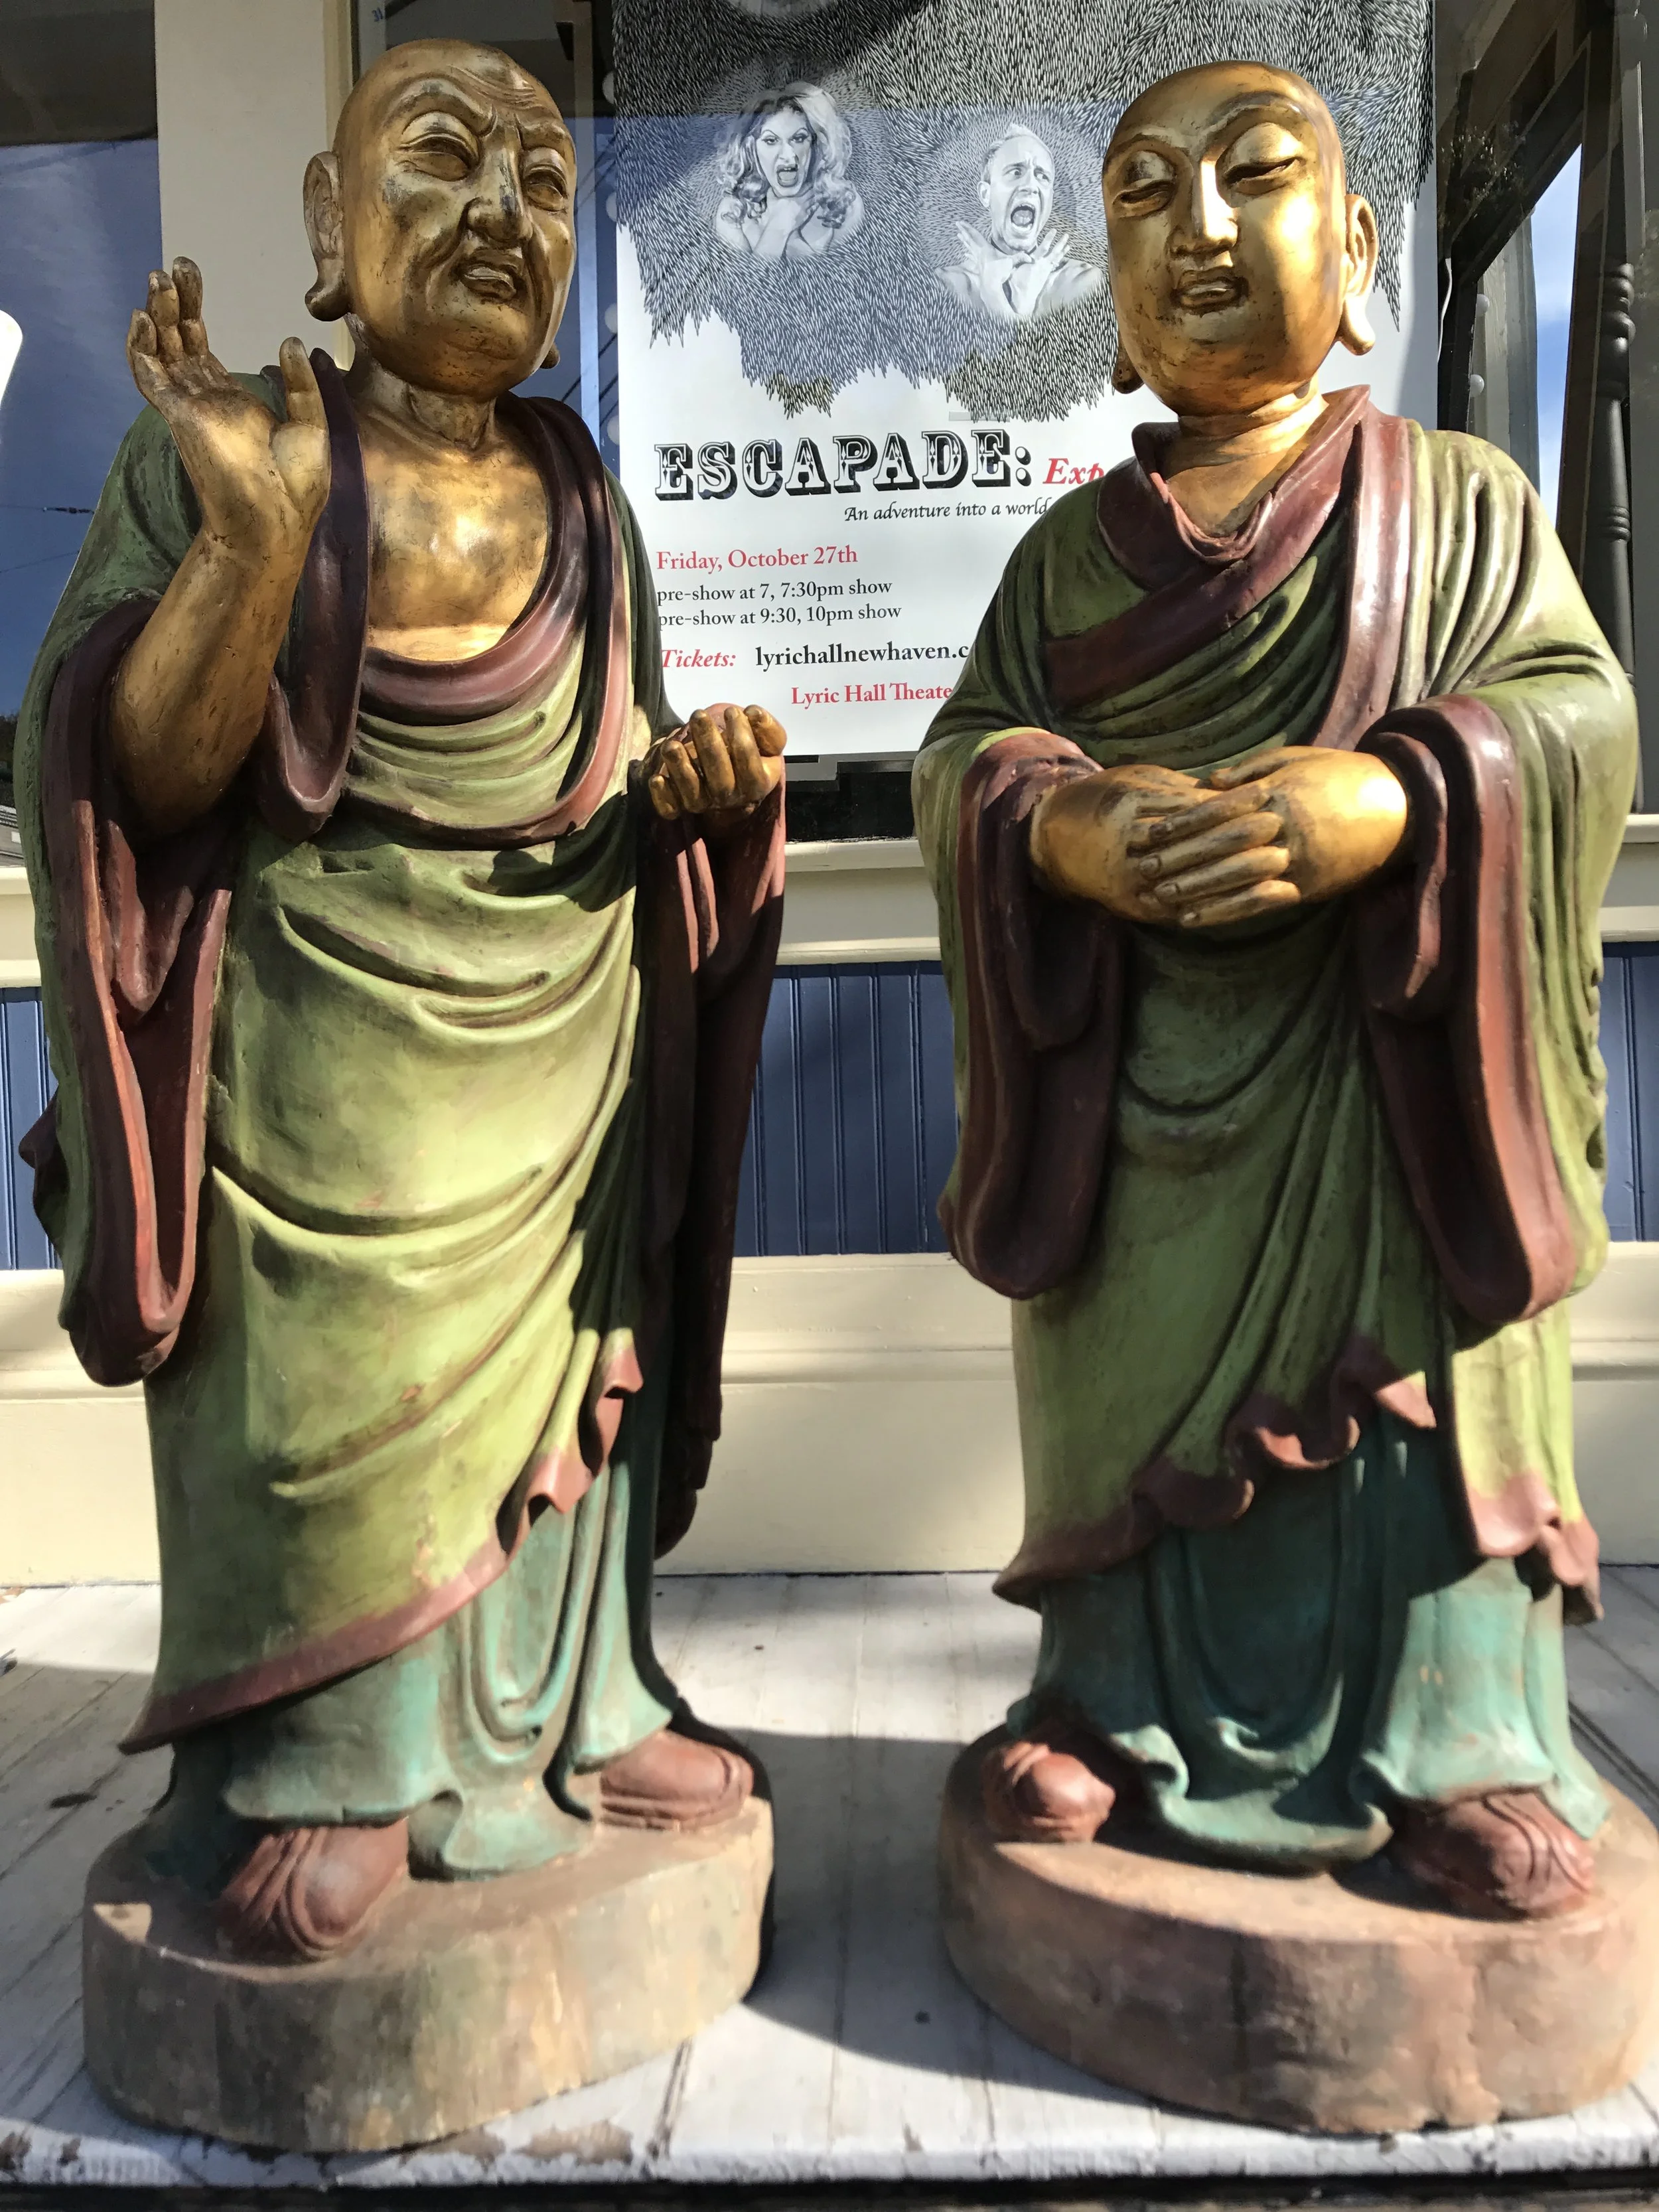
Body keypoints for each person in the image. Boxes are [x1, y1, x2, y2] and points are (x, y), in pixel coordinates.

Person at [16, 38, 788, 1963]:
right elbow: (135, 771)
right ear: (326, 229)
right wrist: (255, 540)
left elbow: (618, 751)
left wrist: (704, 798)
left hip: (564, 1031)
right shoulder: (227, 443)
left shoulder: (583, 488)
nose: (499, 211)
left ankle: (582, 1713)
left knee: (563, 1414)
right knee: (316, 1412)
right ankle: (318, 1763)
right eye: (440, 159)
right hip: (309, 1060)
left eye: (542, 177)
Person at [913, 61, 1637, 1917]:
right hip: (1140, 1090)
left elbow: (1576, 712)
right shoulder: (1066, 553)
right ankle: (1109, 1705)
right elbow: (966, 754)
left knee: (1404, 1413)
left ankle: (1449, 1740)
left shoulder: (1459, 504)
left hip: (1389, 1074)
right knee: (1133, 1418)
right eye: (1144, 200)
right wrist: (1057, 826)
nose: (1201, 229)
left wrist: (1394, 790)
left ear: (1362, 245)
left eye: (1253, 178)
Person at [940, 125, 1102, 322]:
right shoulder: (948, 285)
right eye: (1016, 172)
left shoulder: (1082, 283)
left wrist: (995, 294)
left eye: (1042, 176)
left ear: (1050, 199)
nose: (1031, 186)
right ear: (986, 194)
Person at [713, 84, 864, 263]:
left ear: (816, 145)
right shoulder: (733, 211)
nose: (788, 156)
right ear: (751, 149)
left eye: (799, 139)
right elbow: (746, 289)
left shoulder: (844, 206)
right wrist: (779, 226)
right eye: (771, 140)